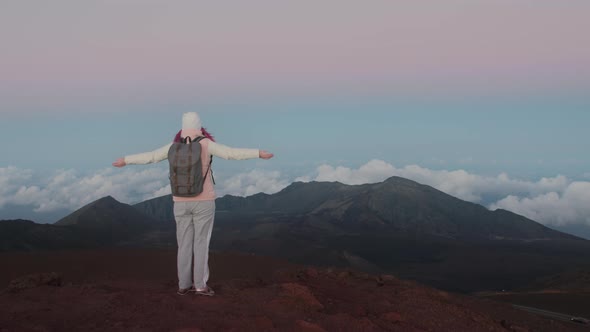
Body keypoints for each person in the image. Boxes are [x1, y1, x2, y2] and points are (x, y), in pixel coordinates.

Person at [112, 112, 274, 296]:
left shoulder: (173, 146)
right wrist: (259, 153)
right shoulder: (205, 143)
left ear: (182, 127)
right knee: (201, 243)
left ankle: (183, 285)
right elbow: (231, 154)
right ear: (199, 126)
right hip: (204, 201)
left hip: (180, 202)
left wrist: (125, 160)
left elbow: (150, 156)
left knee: (184, 245)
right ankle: (200, 285)